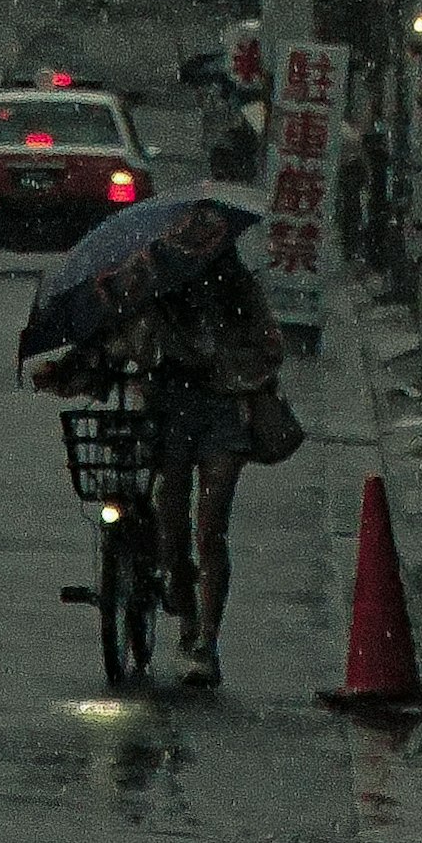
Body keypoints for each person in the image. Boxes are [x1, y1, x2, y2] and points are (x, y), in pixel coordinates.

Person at [129, 226, 284, 688]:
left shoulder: (235, 286)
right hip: (167, 411)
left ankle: (205, 640)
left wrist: (235, 368)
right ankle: (186, 618)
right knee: (171, 527)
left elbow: (269, 345)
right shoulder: (150, 275)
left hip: (221, 411)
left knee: (210, 527)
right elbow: (120, 331)